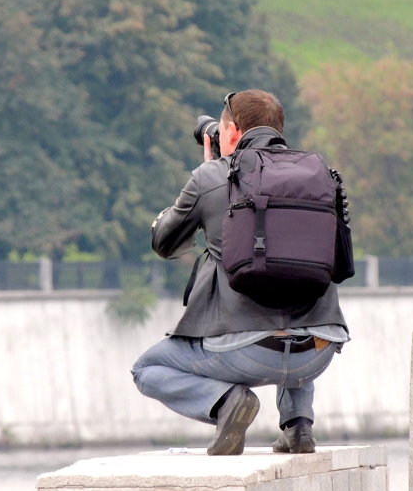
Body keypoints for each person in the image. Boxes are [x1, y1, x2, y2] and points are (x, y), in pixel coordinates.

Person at [132, 90, 349, 455]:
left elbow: (164, 242)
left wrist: (207, 174)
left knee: (146, 368)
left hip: (243, 350)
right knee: (293, 279)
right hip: (317, 349)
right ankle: (299, 426)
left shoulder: (212, 177)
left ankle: (225, 401)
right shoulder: (320, 175)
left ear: (231, 133)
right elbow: (340, 265)